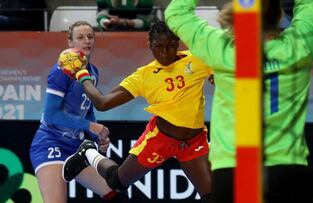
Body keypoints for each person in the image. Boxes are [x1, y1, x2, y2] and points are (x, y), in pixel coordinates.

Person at [165, 0, 313, 202]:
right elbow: (311, 4)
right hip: (285, 169)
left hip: (233, 170)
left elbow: (176, 13)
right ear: (277, 15)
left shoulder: (220, 48)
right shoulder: (299, 46)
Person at [61, 21, 213, 202]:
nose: (165, 52)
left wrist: (218, 75)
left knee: (213, 197)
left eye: (170, 46)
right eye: (158, 47)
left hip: (193, 140)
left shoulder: (198, 60)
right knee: (117, 181)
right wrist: (81, 73)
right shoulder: (143, 76)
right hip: (160, 139)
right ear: (149, 45)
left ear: (178, 43)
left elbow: (225, 70)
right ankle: (88, 153)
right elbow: (102, 103)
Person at [29, 21, 124, 203]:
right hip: (51, 143)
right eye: (80, 37)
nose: (86, 41)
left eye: (90, 37)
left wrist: (97, 136)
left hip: (76, 147)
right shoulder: (60, 71)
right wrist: (90, 126)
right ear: (70, 43)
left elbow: (86, 110)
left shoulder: (92, 72)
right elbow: (51, 115)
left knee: (114, 193)